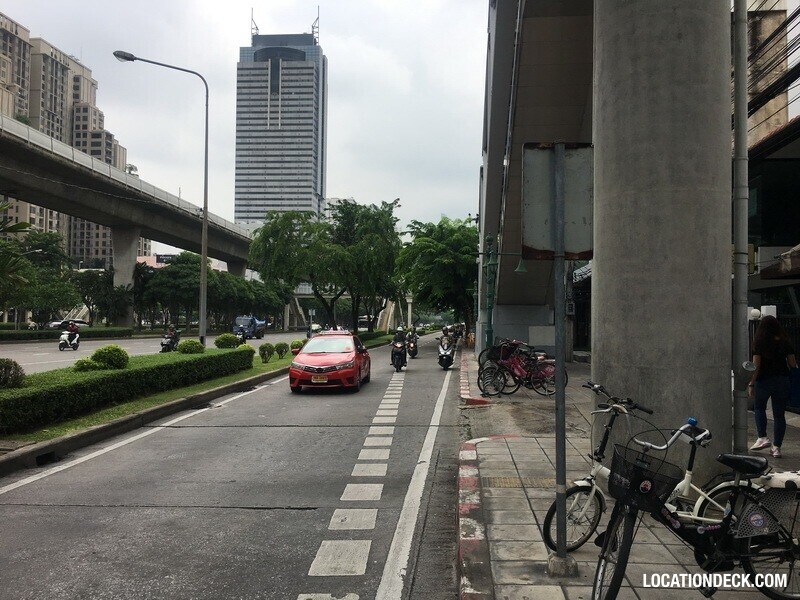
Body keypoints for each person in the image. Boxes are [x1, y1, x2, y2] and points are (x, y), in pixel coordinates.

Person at [748, 315, 797, 458]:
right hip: (782, 380)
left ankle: (762, 437)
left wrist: (751, 383)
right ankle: (777, 447)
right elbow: (792, 363)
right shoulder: (785, 342)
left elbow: (756, 365)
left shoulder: (759, 342)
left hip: (763, 380)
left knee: (759, 408)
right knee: (779, 415)